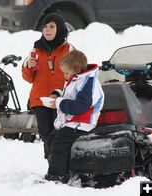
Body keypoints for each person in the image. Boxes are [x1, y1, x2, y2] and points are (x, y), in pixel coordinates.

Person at [45, 50, 105, 182]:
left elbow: (79, 107)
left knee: (59, 143)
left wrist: (59, 103)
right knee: (51, 140)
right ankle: (65, 169)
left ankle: (56, 175)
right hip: (71, 121)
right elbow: (70, 95)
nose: (65, 76)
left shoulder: (89, 83)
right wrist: (57, 94)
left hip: (82, 122)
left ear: (76, 70)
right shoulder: (77, 79)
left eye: (67, 73)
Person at [22, 13, 73, 159]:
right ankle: (52, 162)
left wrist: (59, 93)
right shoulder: (35, 50)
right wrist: (28, 67)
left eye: (52, 26)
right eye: (45, 26)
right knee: (45, 133)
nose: (47, 30)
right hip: (40, 99)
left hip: (60, 99)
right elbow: (28, 78)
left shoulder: (68, 50)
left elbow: (75, 74)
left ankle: (58, 163)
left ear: (61, 29)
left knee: (58, 133)